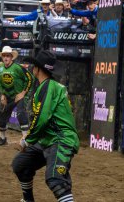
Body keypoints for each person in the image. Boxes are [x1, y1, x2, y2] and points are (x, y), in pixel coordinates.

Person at [11, 50, 79, 202]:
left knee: (55, 179)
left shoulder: (49, 87)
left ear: (37, 68)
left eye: (33, 65)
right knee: (20, 164)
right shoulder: (46, 87)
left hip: (61, 139)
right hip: (48, 139)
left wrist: (27, 139)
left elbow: (42, 118)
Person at [0, 46, 33, 146]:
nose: (5, 58)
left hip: (19, 95)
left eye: (8, 56)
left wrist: (23, 93)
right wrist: (3, 94)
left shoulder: (18, 68)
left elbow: (30, 79)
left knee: (21, 114)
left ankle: (25, 140)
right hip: (7, 95)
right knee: (0, 116)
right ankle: (2, 138)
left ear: (11, 57)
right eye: (4, 56)